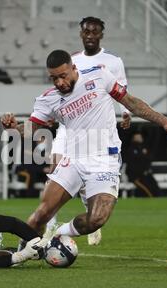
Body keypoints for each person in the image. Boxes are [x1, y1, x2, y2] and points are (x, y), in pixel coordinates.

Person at [1, 50, 167, 243]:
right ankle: (23, 252)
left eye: (63, 76)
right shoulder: (48, 99)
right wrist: (15, 128)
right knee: (41, 215)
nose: (59, 83)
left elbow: (131, 102)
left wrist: (163, 121)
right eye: (53, 79)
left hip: (104, 160)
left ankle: (57, 234)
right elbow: (31, 128)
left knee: (96, 219)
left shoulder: (100, 76)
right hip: (72, 160)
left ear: (74, 68)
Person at [47, 16, 131, 246]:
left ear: (101, 34)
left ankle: (90, 219)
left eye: (95, 32)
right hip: (69, 127)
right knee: (54, 168)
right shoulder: (71, 60)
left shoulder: (113, 61)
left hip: (97, 130)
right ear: (81, 33)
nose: (90, 35)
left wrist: (126, 112)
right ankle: (48, 227)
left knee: (91, 173)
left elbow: (122, 89)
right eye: (86, 32)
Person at [124, 132, 160, 197]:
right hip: (136, 177)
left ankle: (157, 201)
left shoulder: (144, 148)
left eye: (140, 137)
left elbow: (149, 159)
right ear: (133, 139)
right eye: (137, 137)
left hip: (146, 175)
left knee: (155, 187)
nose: (139, 139)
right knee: (147, 191)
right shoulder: (131, 150)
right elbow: (131, 165)